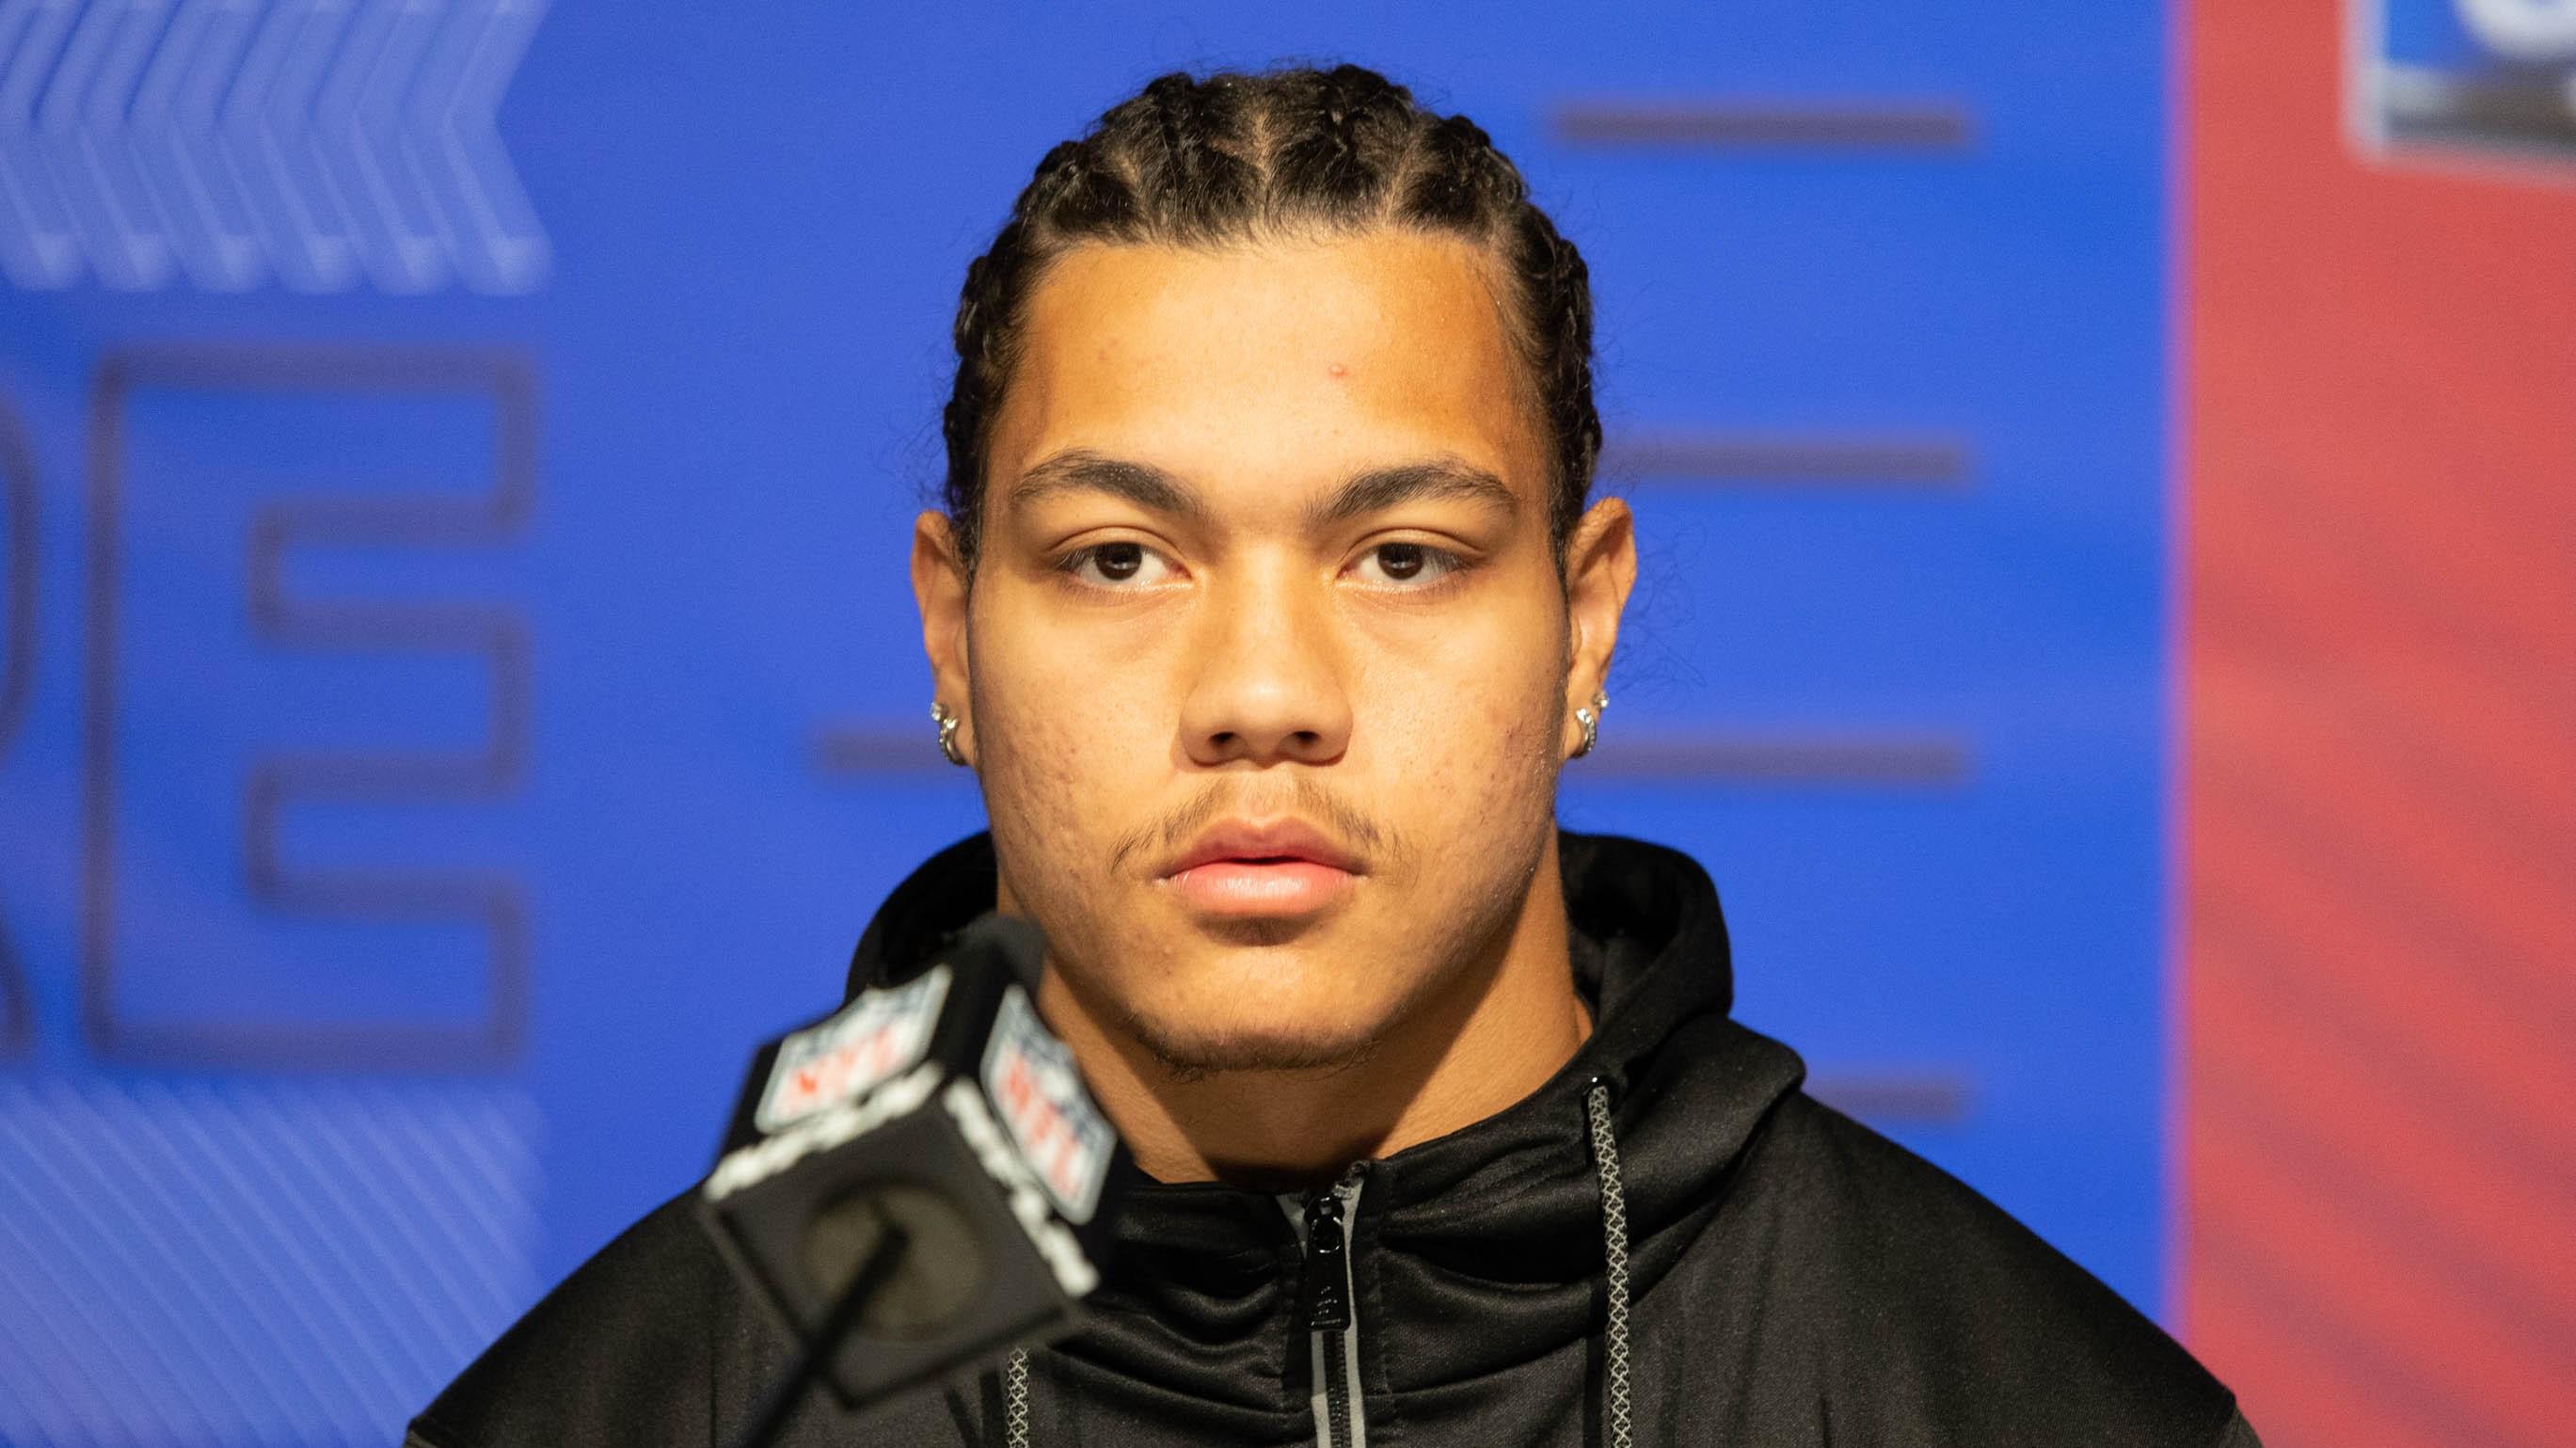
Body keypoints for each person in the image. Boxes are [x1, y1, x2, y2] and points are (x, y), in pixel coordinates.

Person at [406, 63, 2261, 1448]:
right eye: (1121, 557)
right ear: (949, 630)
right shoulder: (636, 1405)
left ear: (1583, 619)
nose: (1263, 687)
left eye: (1400, 554)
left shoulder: (2015, 1403)